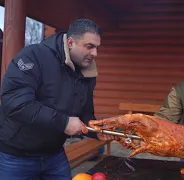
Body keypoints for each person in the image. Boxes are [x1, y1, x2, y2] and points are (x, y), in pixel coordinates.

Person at [0, 18, 107, 180]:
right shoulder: (34, 56)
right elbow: (15, 102)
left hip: (54, 155)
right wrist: (63, 122)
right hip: (16, 156)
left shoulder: (87, 70)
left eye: (97, 48)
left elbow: (85, 111)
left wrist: (98, 131)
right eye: (89, 46)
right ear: (71, 43)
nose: (95, 53)